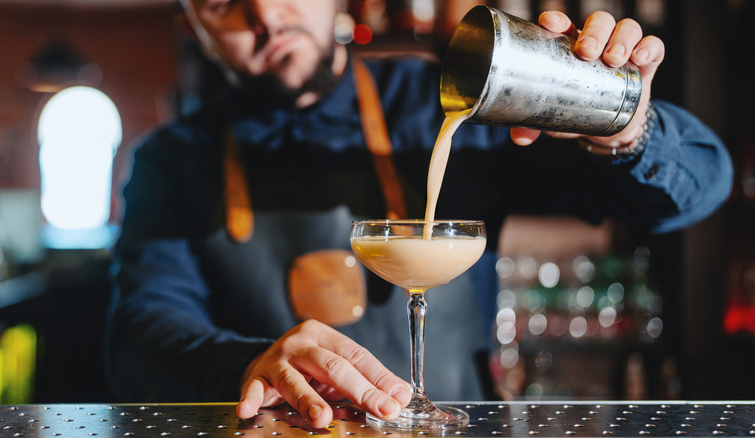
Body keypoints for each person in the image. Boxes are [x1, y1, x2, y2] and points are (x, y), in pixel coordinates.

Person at [105, 0, 733, 430]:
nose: (266, 15)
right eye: (221, 1)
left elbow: (698, 187)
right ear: (193, 25)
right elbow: (140, 334)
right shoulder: (173, 159)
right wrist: (244, 362)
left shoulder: (439, 101)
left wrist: (627, 128)